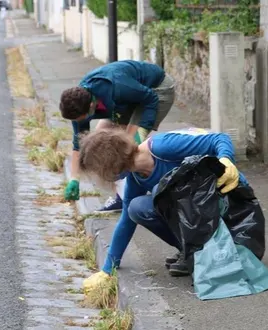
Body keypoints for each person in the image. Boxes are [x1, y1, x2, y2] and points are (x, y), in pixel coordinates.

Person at [77, 127, 246, 292]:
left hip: (228, 199)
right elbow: (126, 222)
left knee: (162, 190)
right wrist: (107, 270)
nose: (101, 177)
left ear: (110, 163)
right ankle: (192, 251)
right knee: (136, 208)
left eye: (100, 171)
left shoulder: (162, 147)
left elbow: (219, 138)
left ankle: (214, 248)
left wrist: (226, 160)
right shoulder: (137, 177)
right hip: (202, 212)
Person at [59, 60, 176, 213]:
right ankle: (121, 196)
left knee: (128, 148)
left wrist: (134, 136)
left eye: (81, 119)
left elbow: (150, 98)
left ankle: (164, 186)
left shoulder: (118, 87)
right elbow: (79, 142)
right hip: (125, 100)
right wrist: (74, 178)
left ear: (91, 107)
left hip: (156, 90)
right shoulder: (78, 104)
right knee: (98, 144)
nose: (79, 123)